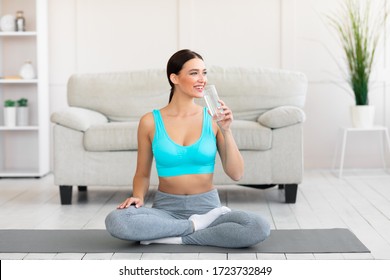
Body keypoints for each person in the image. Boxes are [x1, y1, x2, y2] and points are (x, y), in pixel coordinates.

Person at [105, 49, 270, 248]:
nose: (202, 79)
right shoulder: (149, 121)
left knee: (258, 226)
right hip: (166, 210)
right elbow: (142, 173)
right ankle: (194, 227)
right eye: (194, 73)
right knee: (117, 220)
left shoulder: (213, 118)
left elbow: (236, 174)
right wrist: (138, 197)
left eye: (204, 73)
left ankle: (171, 236)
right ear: (174, 78)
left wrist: (226, 131)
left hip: (209, 211)